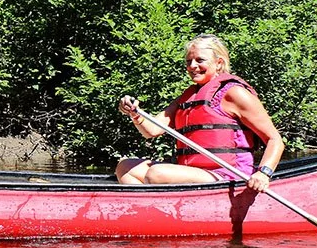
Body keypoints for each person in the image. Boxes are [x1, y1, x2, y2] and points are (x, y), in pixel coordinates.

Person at [116, 34, 283, 191]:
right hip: (194, 173)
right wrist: (135, 114)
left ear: (218, 63)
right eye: (189, 61)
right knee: (125, 167)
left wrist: (263, 173)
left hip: (228, 174)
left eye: (199, 60)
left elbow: (275, 139)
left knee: (157, 173)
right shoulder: (188, 97)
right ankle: (151, 212)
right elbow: (151, 131)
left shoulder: (235, 93)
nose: (192, 66)